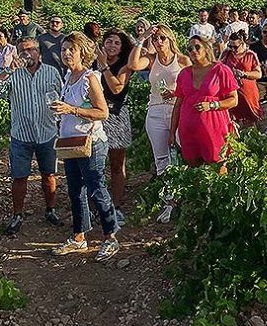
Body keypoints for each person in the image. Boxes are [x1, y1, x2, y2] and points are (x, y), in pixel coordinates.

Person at [49, 32, 120, 262]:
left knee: (96, 189)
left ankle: (110, 237)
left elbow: (103, 113)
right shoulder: (68, 77)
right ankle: (79, 238)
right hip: (71, 144)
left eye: (72, 49)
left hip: (91, 144)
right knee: (75, 191)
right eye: (64, 49)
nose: (67, 53)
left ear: (82, 52)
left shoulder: (89, 78)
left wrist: (72, 110)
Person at [0, 37, 64, 235]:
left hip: (47, 133)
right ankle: (17, 215)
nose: (27, 53)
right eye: (22, 50)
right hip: (21, 135)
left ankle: (50, 210)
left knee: (49, 174)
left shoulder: (51, 72)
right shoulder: (13, 74)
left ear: (39, 52)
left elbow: (61, 96)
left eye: (30, 50)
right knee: (19, 177)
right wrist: (7, 71)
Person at [127, 24, 191, 223]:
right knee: (162, 160)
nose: (159, 41)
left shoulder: (182, 61)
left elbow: (193, 85)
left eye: (162, 38)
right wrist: (142, 38)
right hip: (155, 111)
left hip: (177, 109)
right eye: (155, 39)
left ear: (170, 39)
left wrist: (177, 93)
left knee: (185, 154)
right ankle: (169, 202)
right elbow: (133, 64)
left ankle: (186, 197)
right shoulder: (151, 60)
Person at [171, 36, 239, 166]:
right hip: (188, 132)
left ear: (206, 48)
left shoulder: (221, 70)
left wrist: (212, 105)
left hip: (214, 130)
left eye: (197, 47)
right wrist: (172, 132)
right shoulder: (184, 73)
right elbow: (178, 104)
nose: (193, 51)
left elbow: (233, 100)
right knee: (195, 173)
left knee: (218, 168)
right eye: (190, 48)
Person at [95, 29, 135, 225]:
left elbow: (117, 88)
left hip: (117, 116)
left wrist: (103, 66)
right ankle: (97, 205)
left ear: (122, 47)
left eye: (116, 43)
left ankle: (116, 206)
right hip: (95, 117)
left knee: (117, 164)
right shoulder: (92, 62)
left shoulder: (125, 65)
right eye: (108, 41)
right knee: (96, 164)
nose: (111, 45)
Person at [221, 31, 263, 128]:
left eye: (235, 47)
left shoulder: (250, 55)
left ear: (242, 43)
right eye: (230, 46)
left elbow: (258, 74)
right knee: (231, 122)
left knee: (250, 121)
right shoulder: (227, 54)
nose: (233, 49)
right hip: (231, 93)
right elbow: (218, 69)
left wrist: (244, 74)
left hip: (248, 93)